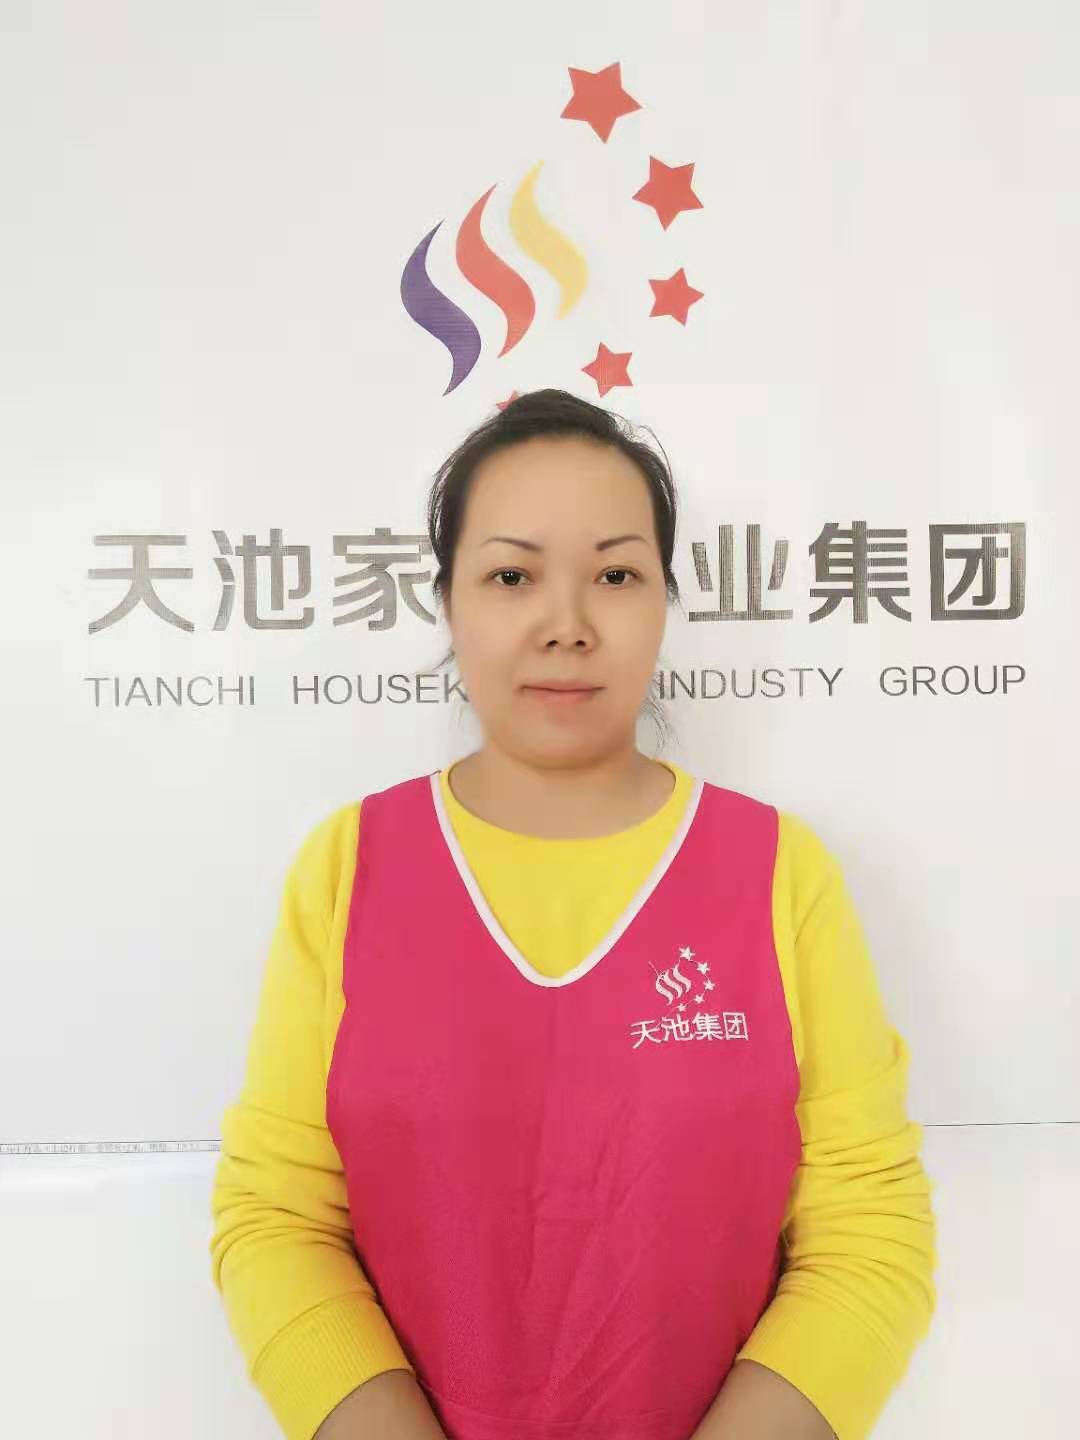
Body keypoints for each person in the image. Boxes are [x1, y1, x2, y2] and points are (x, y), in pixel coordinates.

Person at [209, 388, 937, 1440]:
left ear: (665, 601)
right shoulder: (348, 867)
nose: (567, 625)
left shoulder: (780, 872)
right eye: (512, 576)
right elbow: (277, 1217)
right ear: (448, 601)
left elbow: (869, 1231)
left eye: (616, 575)